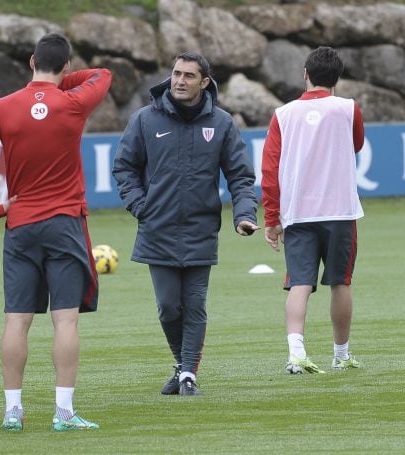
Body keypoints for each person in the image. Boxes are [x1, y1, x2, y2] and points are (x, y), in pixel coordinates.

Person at [0, 33, 111, 431]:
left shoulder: (3, 107)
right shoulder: (73, 102)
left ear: (30, 61)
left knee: (16, 320)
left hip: (21, 224)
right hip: (64, 223)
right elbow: (103, 74)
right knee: (66, 321)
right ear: (66, 65)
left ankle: (12, 410)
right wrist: (61, 82)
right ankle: (64, 412)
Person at [112, 52, 259, 397]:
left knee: (194, 305)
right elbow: (124, 168)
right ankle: (181, 366)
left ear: (204, 83)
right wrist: (140, 206)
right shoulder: (144, 119)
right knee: (168, 307)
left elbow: (240, 175)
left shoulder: (221, 123)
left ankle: (189, 372)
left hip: (200, 229)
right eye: (176, 73)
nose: (179, 81)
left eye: (189, 76)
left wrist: (245, 215)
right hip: (157, 229)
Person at [260, 46, 365, 375]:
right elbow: (356, 144)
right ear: (337, 79)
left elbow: (269, 169)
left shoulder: (283, 114)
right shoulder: (348, 108)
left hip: (298, 212)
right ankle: (341, 355)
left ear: (305, 74)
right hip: (340, 211)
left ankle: (296, 353)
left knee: (299, 283)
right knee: (341, 283)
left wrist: (272, 218)